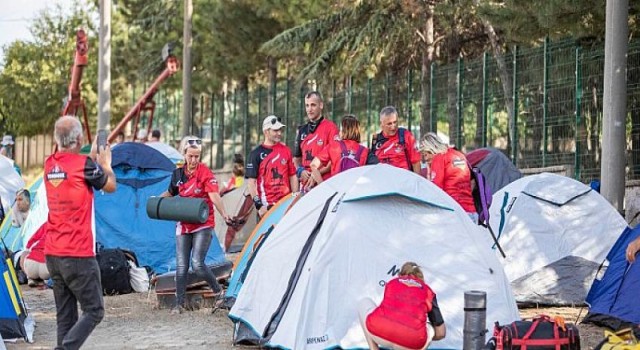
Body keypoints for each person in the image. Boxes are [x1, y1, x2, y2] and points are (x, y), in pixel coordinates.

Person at [44, 115, 117, 350]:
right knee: (94, 310)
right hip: (77, 254)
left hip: (53, 253)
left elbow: (75, 170)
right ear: (79, 139)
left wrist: (93, 156)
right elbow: (110, 185)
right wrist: (105, 163)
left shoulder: (49, 164)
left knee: (65, 318)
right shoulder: (85, 166)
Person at [159, 135, 231, 314]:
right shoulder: (177, 174)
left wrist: (224, 214)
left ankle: (218, 292)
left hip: (203, 223)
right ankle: (179, 303)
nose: (193, 160)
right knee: (182, 266)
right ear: (184, 154)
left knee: (197, 263)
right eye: (190, 156)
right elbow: (170, 192)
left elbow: (214, 195)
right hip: (184, 225)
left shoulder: (205, 173)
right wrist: (156, 202)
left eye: (197, 156)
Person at [359, 262, 446, 350]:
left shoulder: (392, 283)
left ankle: (373, 348)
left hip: (378, 333)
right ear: (421, 278)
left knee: (364, 302)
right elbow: (441, 333)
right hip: (410, 343)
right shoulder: (428, 291)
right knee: (430, 329)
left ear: (400, 275)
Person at [246, 115, 299, 218]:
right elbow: (251, 183)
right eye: (275, 130)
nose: (279, 133)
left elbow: (292, 176)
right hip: (267, 208)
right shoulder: (255, 154)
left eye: (280, 130)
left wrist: (295, 197)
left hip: (286, 205)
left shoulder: (286, 150)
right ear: (266, 131)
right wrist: (259, 206)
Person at [420, 132, 477, 222]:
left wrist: (428, 173)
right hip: (472, 212)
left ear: (431, 148)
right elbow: (472, 182)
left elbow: (435, 190)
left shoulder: (439, 158)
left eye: (425, 154)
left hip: (455, 215)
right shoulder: (459, 155)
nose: (425, 159)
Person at [293, 91, 339, 190]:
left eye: (313, 105)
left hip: (325, 183)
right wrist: (300, 170)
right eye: (307, 105)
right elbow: (296, 159)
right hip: (305, 186)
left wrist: (316, 174)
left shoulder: (331, 128)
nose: (309, 109)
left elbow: (335, 159)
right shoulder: (301, 130)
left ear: (321, 105)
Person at [308, 115, 370, 185]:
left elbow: (313, 165)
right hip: (354, 191)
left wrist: (322, 185)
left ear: (343, 131)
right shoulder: (365, 151)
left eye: (340, 129)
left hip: (337, 189)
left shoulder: (333, 146)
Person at [371, 106, 421, 172]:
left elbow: (416, 162)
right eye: (389, 124)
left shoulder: (405, 135)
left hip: (404, 179)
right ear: (381, 124)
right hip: (384, 179)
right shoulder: (376, 140)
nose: (393, 127)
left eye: (395, 122)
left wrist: (416, 182)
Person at [20, 223, 50, 287]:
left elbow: (32, 240)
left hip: (31, 266)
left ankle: (30, 278)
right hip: (47, 268)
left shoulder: (47, 223)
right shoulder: (69, 226)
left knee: (24, 253)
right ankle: (46, 280)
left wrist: (28, 248)